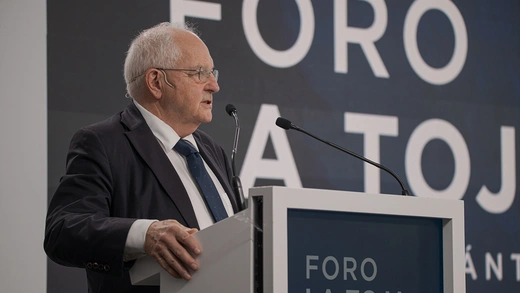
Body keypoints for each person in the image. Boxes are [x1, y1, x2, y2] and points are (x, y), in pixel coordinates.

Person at [44, 22, 238, 293]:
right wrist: (144, 235)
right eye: (199, 73)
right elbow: (62, 230)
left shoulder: (212, 150)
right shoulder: (103, 142)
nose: (214, 86)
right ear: (156, 82)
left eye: (212, 72)